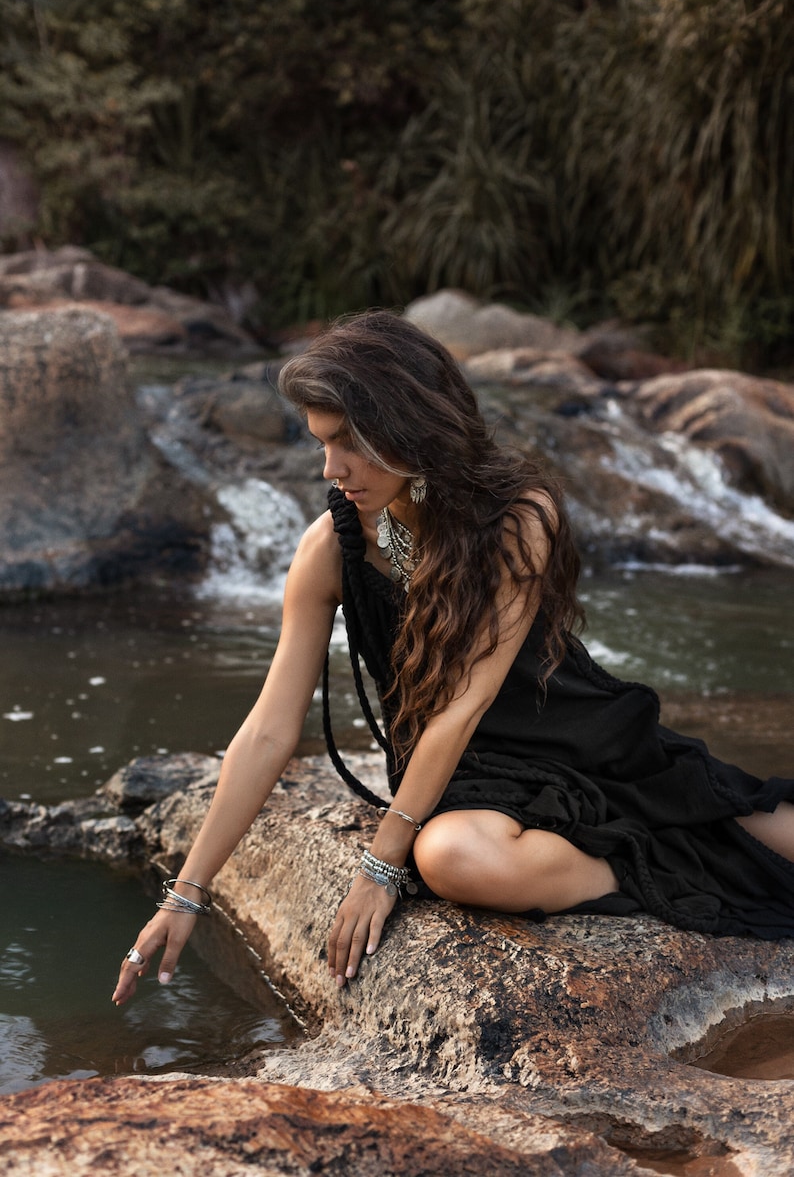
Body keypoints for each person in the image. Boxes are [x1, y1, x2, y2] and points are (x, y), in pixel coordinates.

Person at [112, 310, 794, 1006]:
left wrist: (381, 865)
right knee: (453, 859)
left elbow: (466, 700)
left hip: (590, 745)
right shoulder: (330, 549)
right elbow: (268, 729)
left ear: (409, 423)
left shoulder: (519, 517)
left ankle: (667, 838)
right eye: (322, 444)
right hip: (470, 778)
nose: (331, 468)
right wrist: (187, 896)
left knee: (772, 832)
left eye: (348, 441)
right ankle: (639, 865)